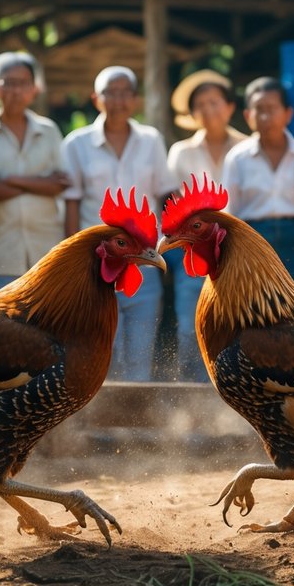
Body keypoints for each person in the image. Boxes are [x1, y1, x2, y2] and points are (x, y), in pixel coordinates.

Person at [62, 66, 173, 381]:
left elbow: (165, 195)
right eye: (111, 92)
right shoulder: (75, 144)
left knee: (141, 348)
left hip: (143, 261)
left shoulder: (151, 140)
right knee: (103, 349)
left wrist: (166, 244)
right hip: (97, 263)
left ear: (135, 99)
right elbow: (71, 202)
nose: (119, 99)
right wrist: (73, 259)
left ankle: (136, 425)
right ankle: (104, 426)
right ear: (96, 99)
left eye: (126, 92)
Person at [166, 69, 246, 381]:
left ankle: (231, 390)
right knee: (190, 326)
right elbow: (173, 202)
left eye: (214, 102)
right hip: (195, 251)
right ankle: (191, 391)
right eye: (200, 104)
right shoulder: (181, 152)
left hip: (236, 252)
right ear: (192, 113)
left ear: (229, 107)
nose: (208, 109)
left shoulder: (247, 148)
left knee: (235, 327)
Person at [0, 51, 68, 292]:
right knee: (1, 328)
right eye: (9, 83)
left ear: (34, 89)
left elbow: (59, 184)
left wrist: (10, 180)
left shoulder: (49, 131)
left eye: (23, 83)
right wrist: (39, 183)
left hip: (47, 252)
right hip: (1, 256)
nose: (16, 91)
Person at [222, 76, 294, 294]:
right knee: (256, 312)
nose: (265, 116)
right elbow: (228, 213)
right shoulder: (237, 158)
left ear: (288, 114)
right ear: (247, 116)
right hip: (251, 243)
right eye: (258, 109)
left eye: (272, 108)